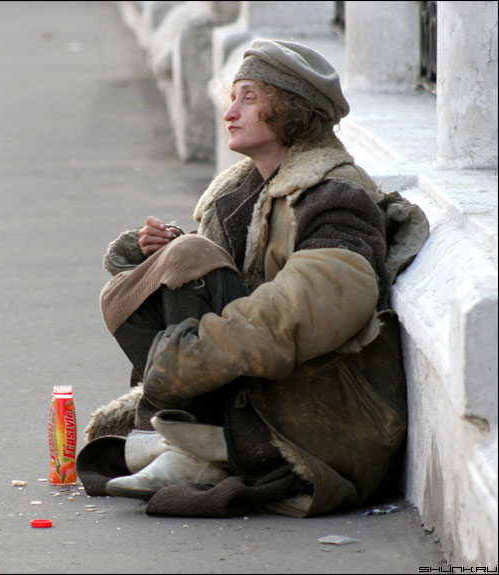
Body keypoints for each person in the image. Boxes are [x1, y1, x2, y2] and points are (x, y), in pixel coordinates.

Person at [74, 39, 430, 519]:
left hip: (316, 413)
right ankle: (188, 439)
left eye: (248, 98)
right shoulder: (237, 195)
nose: (230, 112)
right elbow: (228, 279)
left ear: (289, 111)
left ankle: (192, 443)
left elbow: (307, 308)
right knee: (133, 287)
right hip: (253, 387)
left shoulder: (338, 197)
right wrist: (160, 252)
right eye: (232, 97)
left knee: (192, 257)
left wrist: (199, 349)